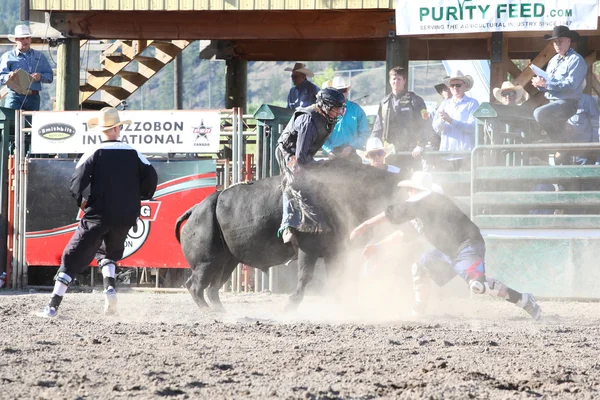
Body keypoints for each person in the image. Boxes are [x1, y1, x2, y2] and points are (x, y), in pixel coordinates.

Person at [350, 171, 542, 320]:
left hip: (467, 247)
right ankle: (419, 310)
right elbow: (404, 232)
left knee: (478, 285)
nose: (409, 193)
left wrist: (366, 225)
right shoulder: (423, 209)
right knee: (420, 268)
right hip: (448, 252)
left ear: (417, 190)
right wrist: (380, 247)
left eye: (411, 189)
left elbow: (397, 212)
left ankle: (523, 299)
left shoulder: (429, 201)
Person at [38, 107, 158, 318]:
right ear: (118, 128)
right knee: (109, 253)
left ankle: (52, 307)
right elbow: (151, 179)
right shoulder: (135, 153)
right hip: (125, 216)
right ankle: (110, 288)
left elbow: (76, 183)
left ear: (101, 130)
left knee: (71, 257)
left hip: (98, 215)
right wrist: (139, 197)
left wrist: (81, 202)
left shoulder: (93, 153)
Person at [276, 88, 346, 244]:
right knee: (295, 180)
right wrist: (318, 164)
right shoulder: (308, 121)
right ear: (326, 106)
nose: (340, 111)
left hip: (304, 153)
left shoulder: (326, 118)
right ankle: (288, 225)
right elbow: (300, 157)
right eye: (336, 108)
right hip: (289, 153)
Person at [532, 25, 586, 143]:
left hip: (567, 104)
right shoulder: (553, 60)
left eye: (560, 41)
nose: (557, 44)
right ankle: (562, 148)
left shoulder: (576, 60)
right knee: (536, 116)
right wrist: (540, 84)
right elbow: (549, 84)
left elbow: (571, 85)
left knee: (539, 113)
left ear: (568, 41)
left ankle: (560, 144)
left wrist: (546, 85)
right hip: (554, 104)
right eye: (555, 42)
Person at [371, 66, 430, 170]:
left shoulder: (415, 100)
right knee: (391, 183)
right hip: (390, 153)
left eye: (399, 79)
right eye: (394, 78)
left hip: (411, 153)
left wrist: (421, 145)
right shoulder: (384, 102)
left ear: (404, 81)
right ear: (390, 81)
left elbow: (425, 125)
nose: (396, 81)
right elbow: (378, 127)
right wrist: (372, 145)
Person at [0, 25, 53, 111]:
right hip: (14, 96)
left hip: (33, 98)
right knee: (11, 123)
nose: (25, 41)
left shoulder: (40, 56)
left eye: (27, 38)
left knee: (31, 123)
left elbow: (50, 76)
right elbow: (0, 77)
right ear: (16, 40)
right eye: (22, 38)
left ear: (30, 39)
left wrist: (40, 77)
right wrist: (8, 77)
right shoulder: (7, 57)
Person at [321, 76, 369, 162]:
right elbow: (321, 137)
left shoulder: (357, 110)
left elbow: (365, 134)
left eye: (343, 90)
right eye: (338, 91)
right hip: (333, 155)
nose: (341, 93)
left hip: (354, 154)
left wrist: (351, 147)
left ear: (347, 91)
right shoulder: (326, 112)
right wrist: (329, 151)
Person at [432, 70, 480, 153]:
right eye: (452, 85)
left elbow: (472, 128)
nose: (455, 87)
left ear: (465, 86)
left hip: (465, 153)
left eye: (458, 85)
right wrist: (442, 120)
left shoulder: (472, 103)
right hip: (446, 153)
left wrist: (450, 120)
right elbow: (435, 128)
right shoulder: (444, 104)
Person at [564, 93, 600, 165]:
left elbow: (596, 125)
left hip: (584, 152)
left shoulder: (587, 100)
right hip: (564, 152)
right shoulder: (554, 100)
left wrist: (594, 147)